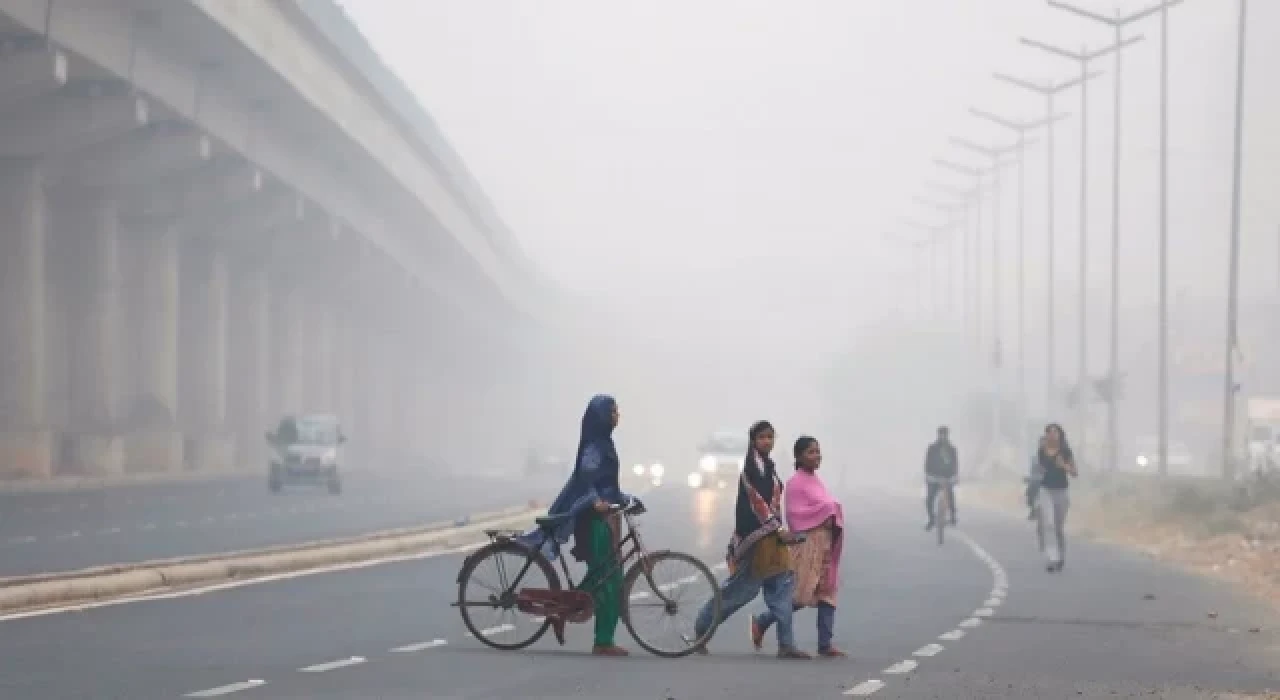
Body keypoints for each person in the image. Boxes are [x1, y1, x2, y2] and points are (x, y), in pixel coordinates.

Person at [693, 420, 810, 659]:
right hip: (755, 543)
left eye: (770, 437)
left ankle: (786, 644)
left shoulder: (769, 467)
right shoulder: (750, 471)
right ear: (753, 441)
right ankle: (701, 630)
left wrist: (780, 531)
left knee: (782, 592)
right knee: (737, 594)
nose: (766, 441)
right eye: (762, 437)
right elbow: (758, 504)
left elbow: (773, 504)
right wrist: (778, 529)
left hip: (774, 542)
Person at [527, 394, 632, 655]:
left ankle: (564, 612)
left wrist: (626, 499)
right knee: (606, 577)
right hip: (592, 520)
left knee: (606, 575)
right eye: (613, 411)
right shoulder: (594, 446)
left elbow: (608, 484)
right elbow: (587, 478)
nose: (617, 416)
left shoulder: (603, 442)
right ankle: (602, 641)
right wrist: (595, 501)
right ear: (602, 416)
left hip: (604, 517)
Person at [751, 436, 847, 658]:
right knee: (800, 594)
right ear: (799, 457)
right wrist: (828, 510)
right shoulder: (795, 483)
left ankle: (825, 643)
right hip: (807, 545)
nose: (816, 456)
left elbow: (824, 507)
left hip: (825, 544)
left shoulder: (817, 481)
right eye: (811, 452)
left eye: (818, 451)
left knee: (828, 592)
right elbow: (795, 515)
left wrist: (830, 512)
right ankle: (762, 622)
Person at [1037, 423, 1078, 572]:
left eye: (1055, 432)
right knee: (1049, 524)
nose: (1053, 434)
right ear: (1046, 435)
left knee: (1058, 527)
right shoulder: (1042, 451)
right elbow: (1041, 468)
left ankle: (1061, 557)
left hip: (1061, 491)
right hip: (1046, 490)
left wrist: (1064, 466)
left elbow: (1075, 473)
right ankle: (1052, 558)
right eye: (1050, 432)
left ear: (1060, 434)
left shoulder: (1065, 451)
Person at [924, 426, 958, 530]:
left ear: (947, 435)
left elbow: (955, 464)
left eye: (945, 434)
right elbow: (927, 463)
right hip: (934, 477)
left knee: (950, 497)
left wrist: (954, 476)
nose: (943, 436)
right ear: (938, 435)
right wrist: (927, 475)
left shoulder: (951, 449)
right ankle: (931, 519)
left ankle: (953, 516)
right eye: (941, 434)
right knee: (929, 499)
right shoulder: (932, 448)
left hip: (947, 477)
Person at [1025, 436, 1047, 521]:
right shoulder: (1035, 457)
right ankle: (1033, 510)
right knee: (1029, 494)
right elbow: (1032, 471)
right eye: (1041, 443)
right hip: (1035, 481)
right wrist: (1028, 478)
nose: (1042, 445)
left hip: (1047, 481)